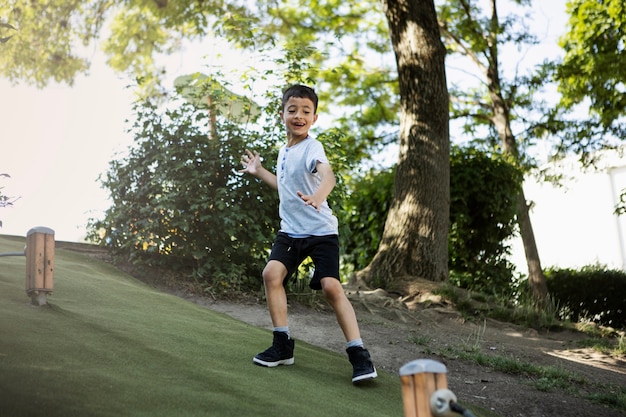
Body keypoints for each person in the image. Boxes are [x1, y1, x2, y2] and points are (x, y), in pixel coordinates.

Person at [239, 84, 377, 383]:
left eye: (305, 111)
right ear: (282, 115)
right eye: (292, 110)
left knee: (330, 287)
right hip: (290, 232)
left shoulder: (312, 147)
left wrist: (319, 196)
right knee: (271, 275)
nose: (298, 116)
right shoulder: (284, 151)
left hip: (320, 231)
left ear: (314, 117)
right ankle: (282, 345)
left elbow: (329, 175)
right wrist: (259, 171)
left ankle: (359, 354)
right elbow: (284, 186)